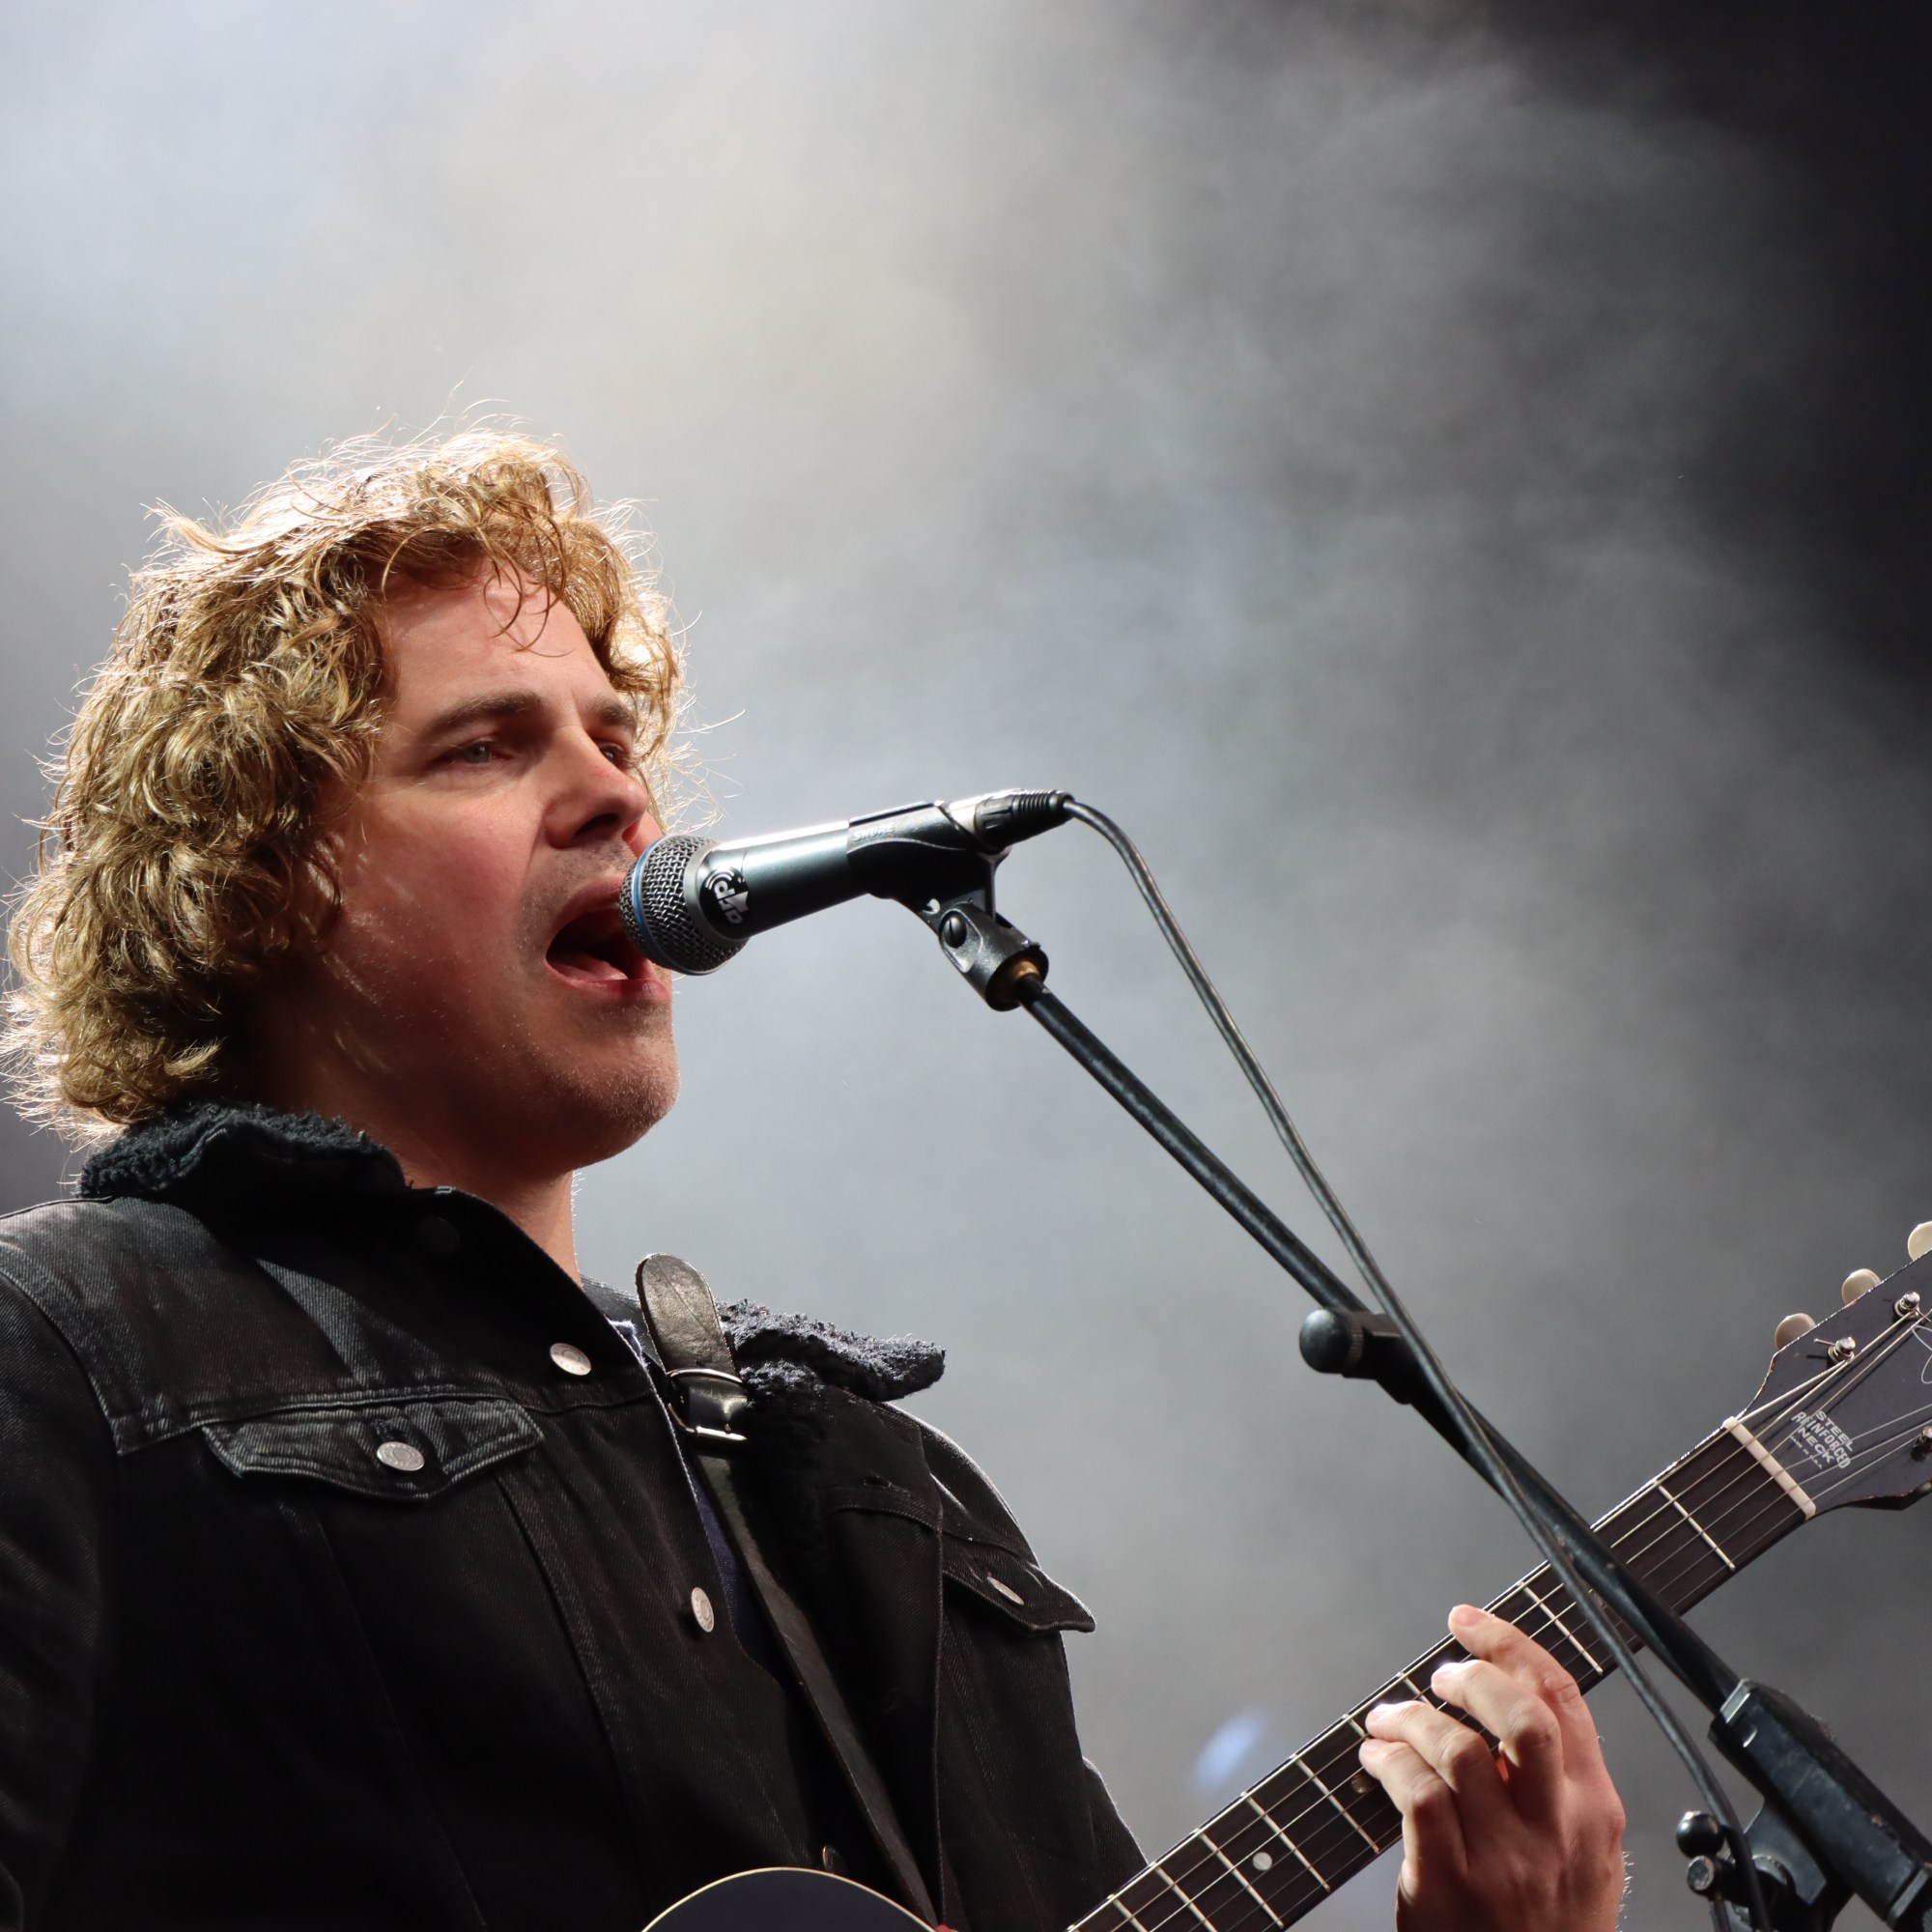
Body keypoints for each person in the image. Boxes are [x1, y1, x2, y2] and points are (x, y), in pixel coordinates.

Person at [0, 431, 1627, 1930]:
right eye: (487, 747)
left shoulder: (863, 1483)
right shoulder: (69, 1347)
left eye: (615, 736)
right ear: (254, 890)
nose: (619, 795)